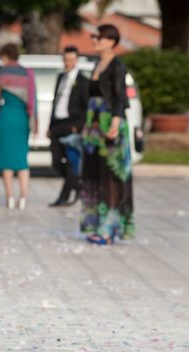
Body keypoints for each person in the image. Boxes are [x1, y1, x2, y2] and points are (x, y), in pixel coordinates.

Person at [81, 24, 134, 244]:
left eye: (98, 38)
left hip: (110, 125)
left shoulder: (117, 66)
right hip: (94, 129)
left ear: (111, 41)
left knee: (110, 177)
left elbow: (120, 98)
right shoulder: (96, 64)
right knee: (94, 174)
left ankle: (109, 228)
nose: (94, 41)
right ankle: (95, 223)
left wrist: (114, 124)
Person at [0, 43, 37, 211]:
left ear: (5, 55)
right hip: (21, 118)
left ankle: (10, 197)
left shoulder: (1, 73)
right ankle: (23, 198)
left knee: (7, 161)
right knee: (21, 159)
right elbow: (33, 100)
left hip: (6, 116)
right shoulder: (28, 73)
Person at [48, 46, 89, 207]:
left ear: (77, 60)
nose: (68, 63)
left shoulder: (83, 81)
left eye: (71, 60)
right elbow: (56, 102)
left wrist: (78, 126)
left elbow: (87, 108)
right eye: (66, 59)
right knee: (56, 162)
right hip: (58, 124)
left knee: (72, 161)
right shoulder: (60, 77)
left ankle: (64, 196)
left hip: (72, 125)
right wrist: (50, 125)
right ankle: (78, 185)